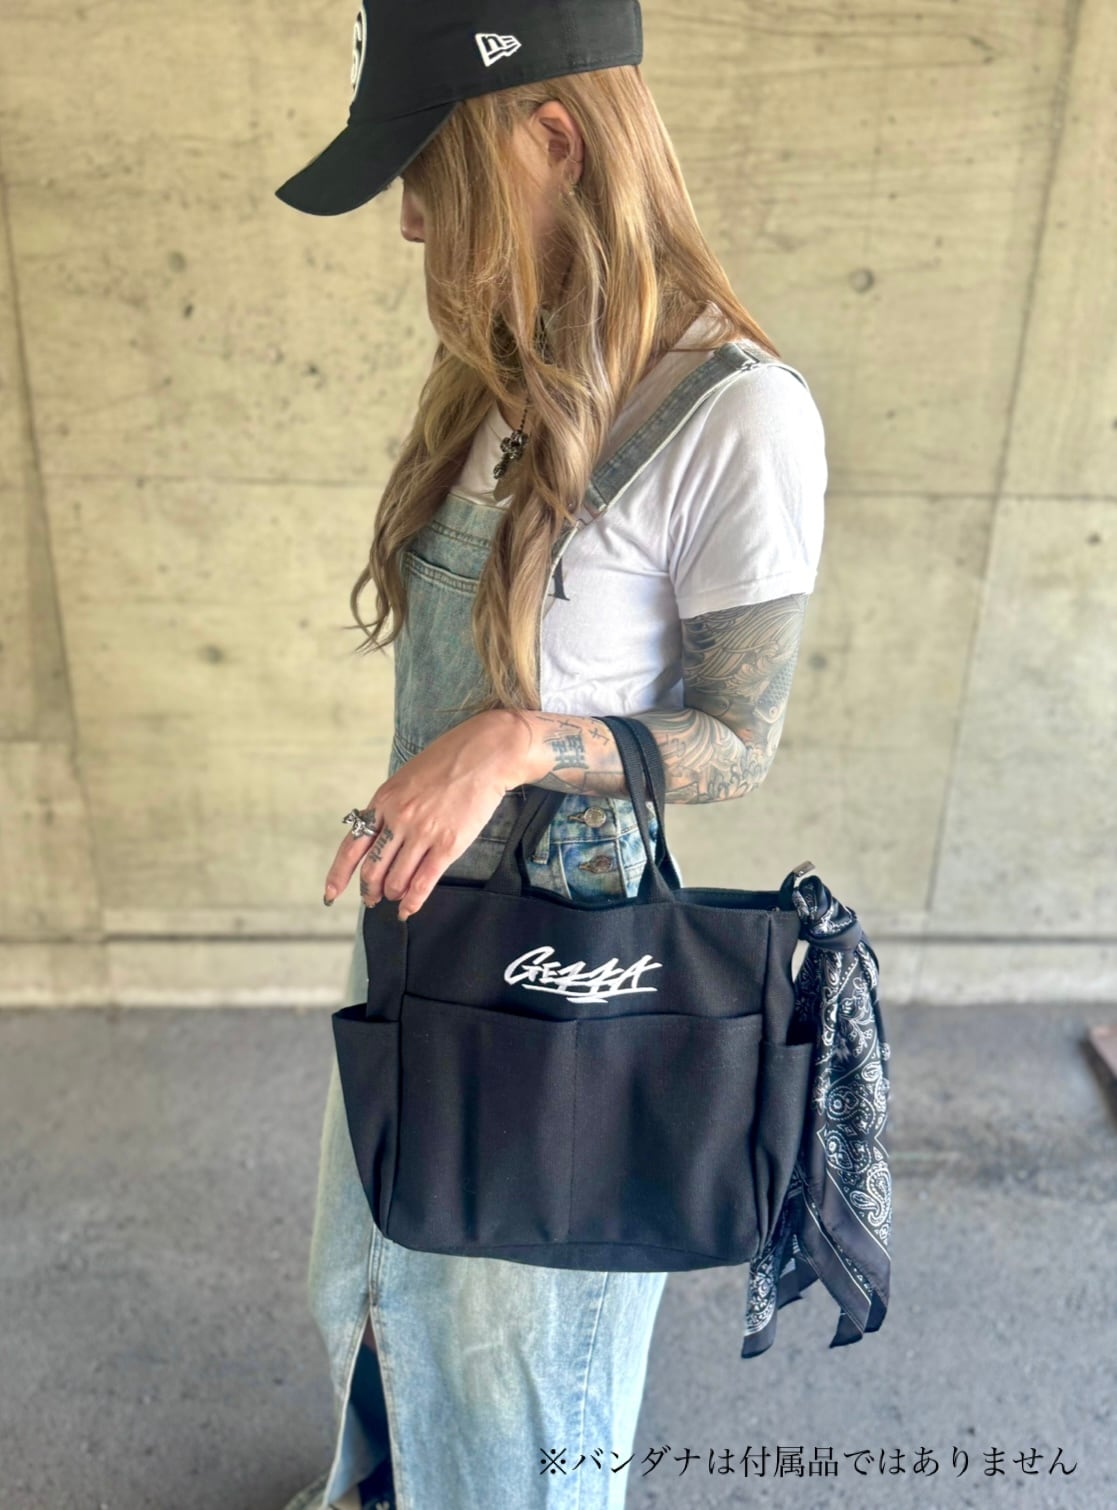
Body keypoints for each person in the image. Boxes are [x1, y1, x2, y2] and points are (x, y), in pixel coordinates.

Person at [273, 4, 827, 1507]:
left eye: (426, 174)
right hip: (421, 915)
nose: (408, 222)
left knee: (518, 1358)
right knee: (375, 1274)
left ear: (556, 141)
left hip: (559, 962)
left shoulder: (739, 416)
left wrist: (516, 740)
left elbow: (738, 741)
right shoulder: (503, 370)